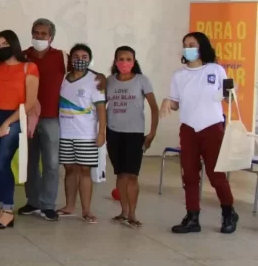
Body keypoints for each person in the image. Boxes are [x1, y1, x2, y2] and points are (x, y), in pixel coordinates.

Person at [21, 18, 104, 222]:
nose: (39, 37)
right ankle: (33, 201)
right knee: (30, 163)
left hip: (51, 118)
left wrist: (101, 75)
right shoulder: (23, 56)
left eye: (44, 34)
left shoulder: (60, 56)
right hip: (27, 117)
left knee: (51, 163)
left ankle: (48, 204)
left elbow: (80, 70)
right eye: (36, 33)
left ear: (51, 37)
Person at [161, 32, 239, 234]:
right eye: (185, 44)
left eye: (192, 44)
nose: (188, 48)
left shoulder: (216, 69)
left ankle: (228, 211)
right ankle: (192, 216)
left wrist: (232, 91)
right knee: (189, 174)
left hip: (212, 127)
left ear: (201, 47)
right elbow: (176, 103)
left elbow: (227, 98)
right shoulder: (179, 75)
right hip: (188, 128)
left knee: (216, 174)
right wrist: (168, 102)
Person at [0, 30, 39, 229]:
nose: (2, 47)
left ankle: (8, 210)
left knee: (3, 162)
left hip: (14, 118)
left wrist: (6, 123)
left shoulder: (29, 67)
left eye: (5, 43)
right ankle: (4, 205)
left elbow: (29, 102)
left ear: (14, 43)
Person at [107, 46, 158, 228]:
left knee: (132, 175)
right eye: (121, 59)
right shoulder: (109, 81)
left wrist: (152, 132)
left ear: (134, 62)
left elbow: (154, 107)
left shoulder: (142, 81)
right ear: (115, 61)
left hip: (134, 134)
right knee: (120, 174)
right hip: (113, 133)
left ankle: (133, 214)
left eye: (128, 59)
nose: (124, 63)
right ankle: (123, 211)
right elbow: (100, 106)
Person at [56, 44, 107, 223]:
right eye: (76, 56)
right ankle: (69, 206)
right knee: (69, 170)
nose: (80, 60)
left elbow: (101, 109)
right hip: (64, 134)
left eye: (84, 56)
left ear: (89, 59)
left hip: (86, 135)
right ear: (70, 59)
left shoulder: (96, 80)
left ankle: (86, 210)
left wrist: (102, 132)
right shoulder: (62, 79)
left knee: (84, 171)